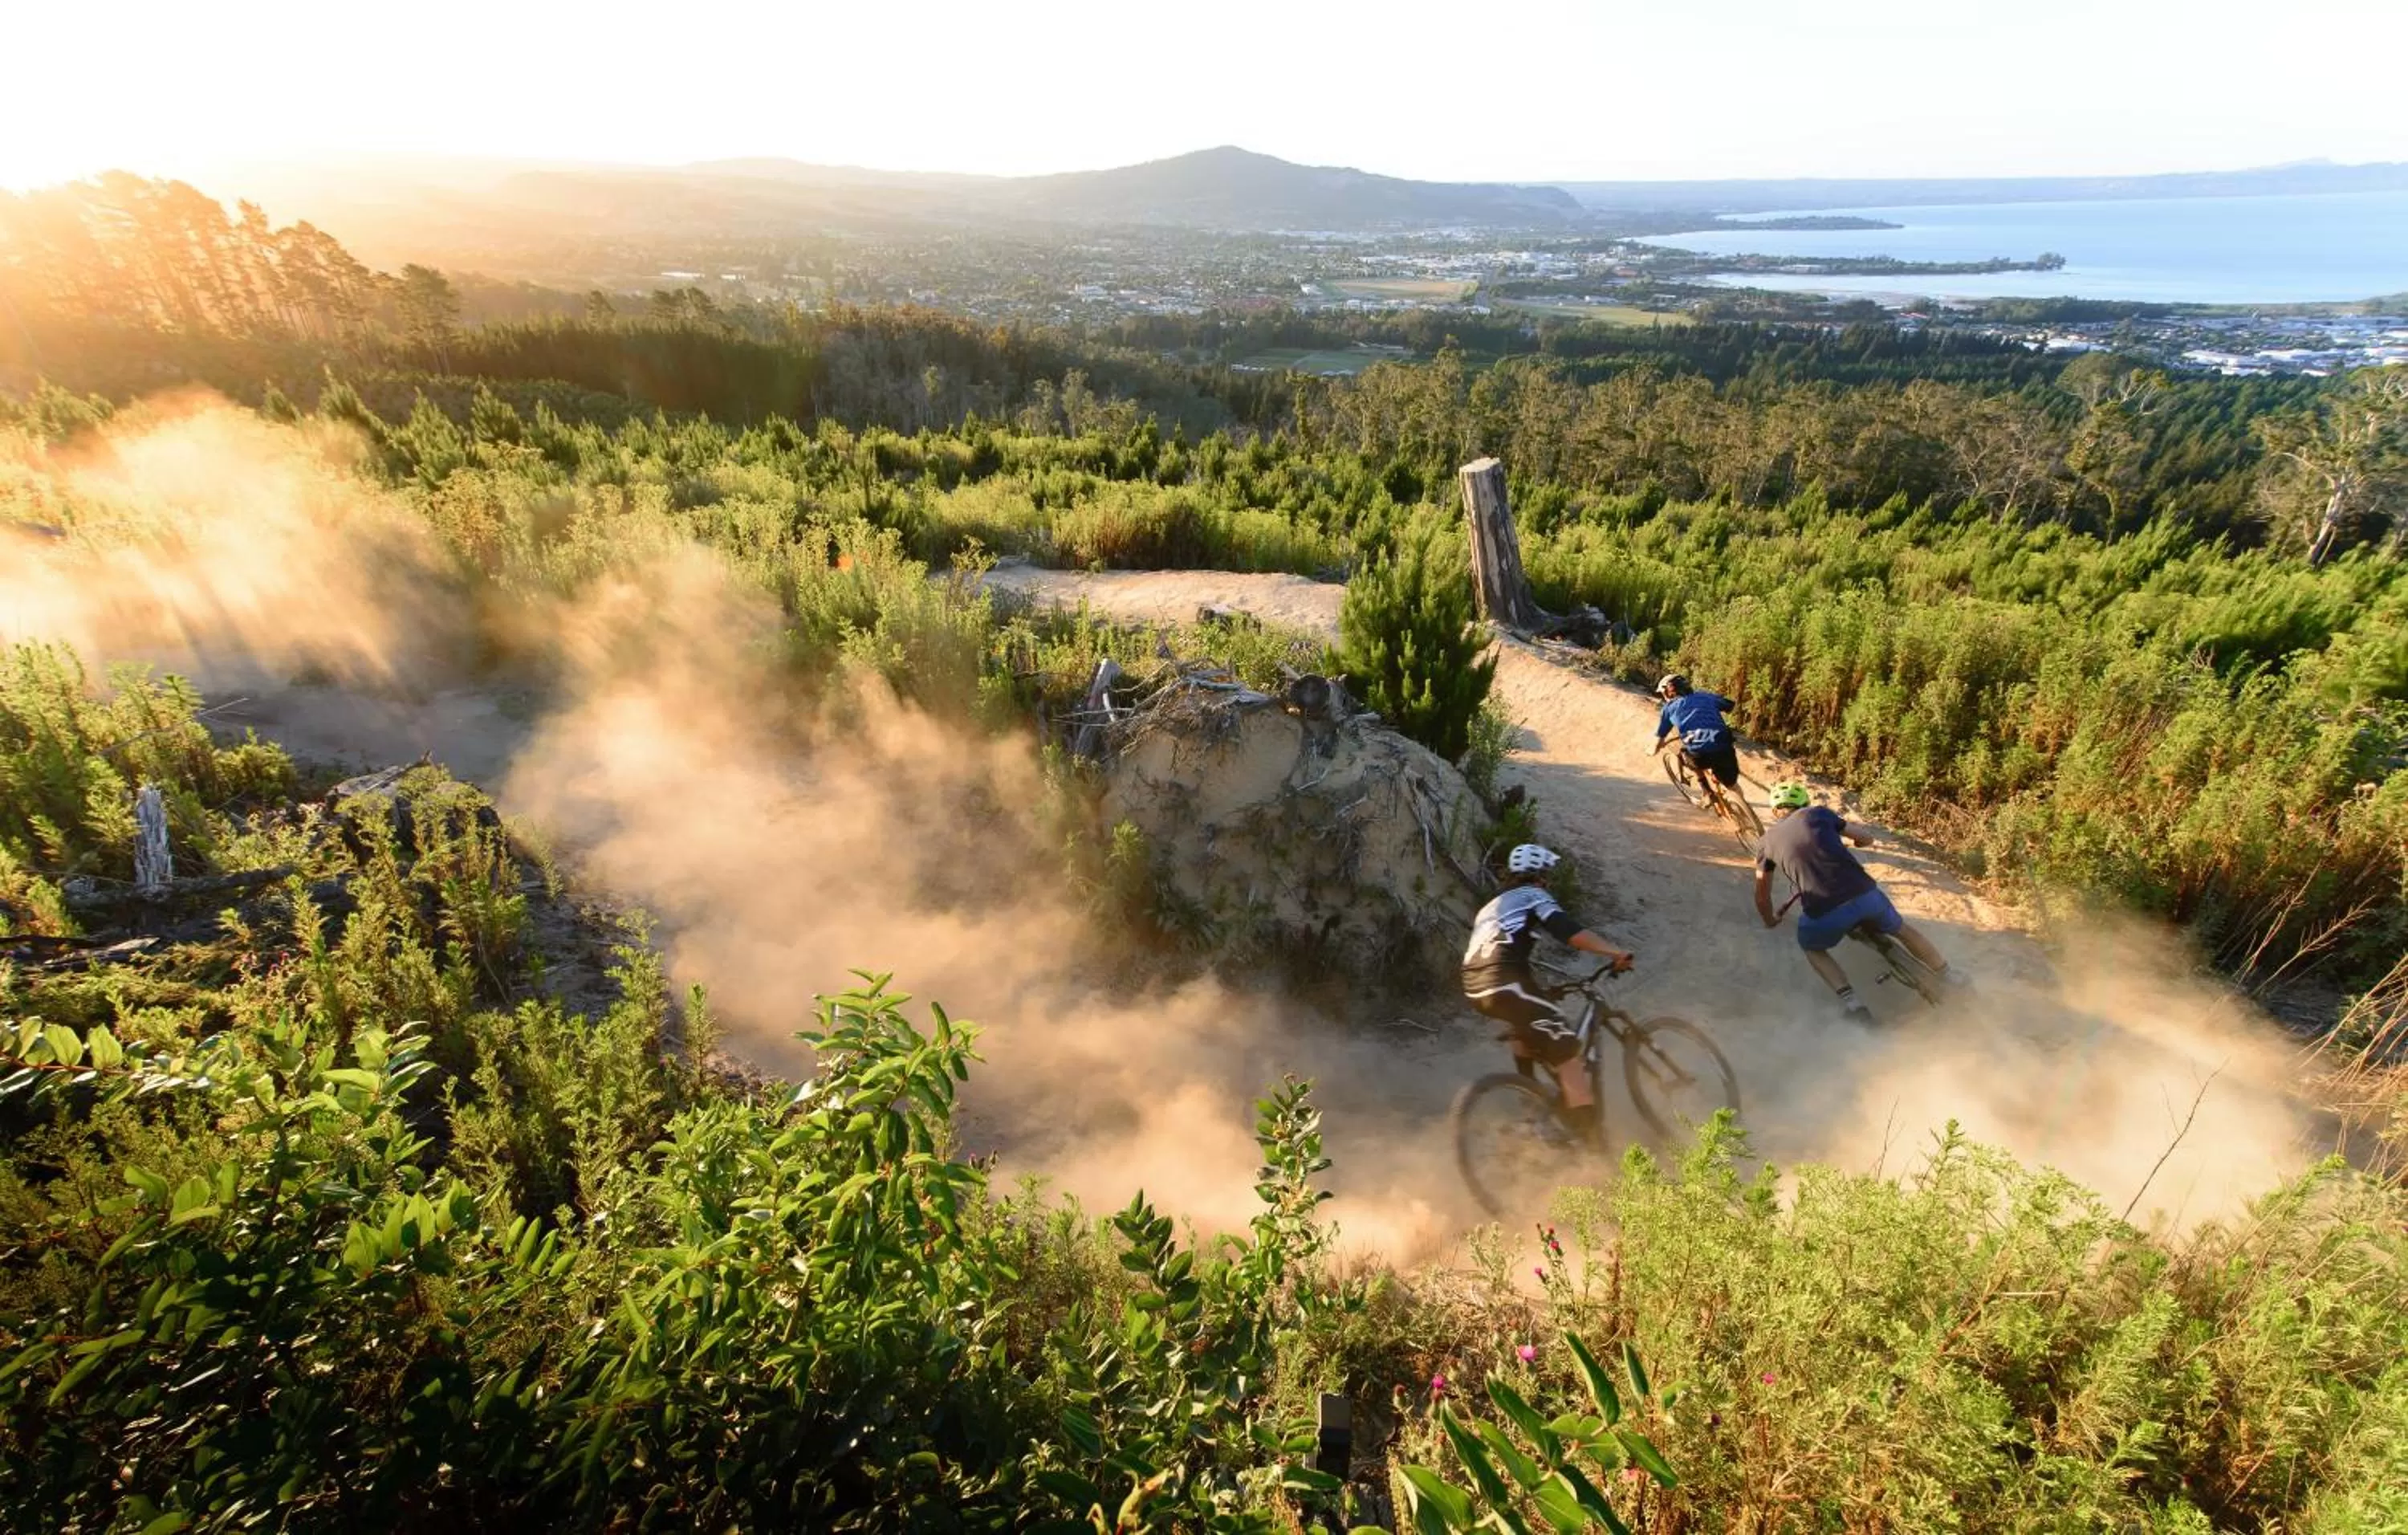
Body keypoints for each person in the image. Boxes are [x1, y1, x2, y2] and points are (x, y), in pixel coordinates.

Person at [1462, 843, 1636, 1143]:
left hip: (1475, 985)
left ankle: (1531, 1106)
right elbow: (1568, 932)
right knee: (1569, 1051)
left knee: (1525, 1030)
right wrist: (1614, 952)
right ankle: (1591, 1144)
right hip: (1504, 982)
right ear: (1540, 875)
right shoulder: (1534, 895)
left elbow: (1503, 954)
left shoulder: (1490, 907)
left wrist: (1541, 992)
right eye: (1547, 874)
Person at [1752, 782, 1966, 1016]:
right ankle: (1949, 975)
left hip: (1824, 912)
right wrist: (1860, 842)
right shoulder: (1819, 813)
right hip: (1865, 895)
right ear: (1804, 804)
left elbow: (1762, 897)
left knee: (1811, 948)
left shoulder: (1765, 843)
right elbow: (1865, 838)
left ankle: (1853, 1004)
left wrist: (1770, 920)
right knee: (1901, 929)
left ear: (1775, 812)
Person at [1649, 674, 1741, 795]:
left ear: (1668, 692)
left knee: (1685, 755)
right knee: (1732, 785)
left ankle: (1706, 790)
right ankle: (1742, 807)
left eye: (1663, 693)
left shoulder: (1668, 709)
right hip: (1724, 748)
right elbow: (1730, 706)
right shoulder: (1706, 696)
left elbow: (1660, 738)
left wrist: (1653, 750)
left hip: (1699, 757)